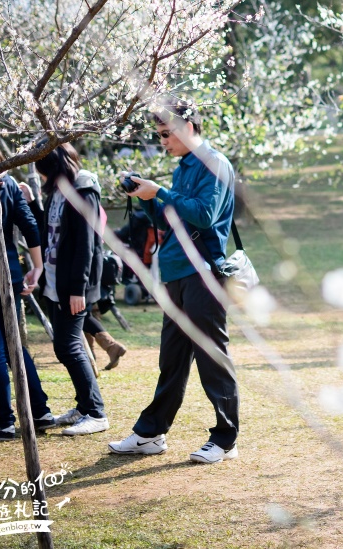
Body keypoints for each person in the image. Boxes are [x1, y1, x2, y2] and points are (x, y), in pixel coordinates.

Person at [109, 101, 240, 464]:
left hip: (203, 275)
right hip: (177, 274)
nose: (163, 142)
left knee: (212, 358)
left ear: (188, 128)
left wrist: (161, 192)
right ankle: (150, 433)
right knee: (172, 359)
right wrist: (147, 197)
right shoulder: (184, 167)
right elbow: (173, 219)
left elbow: (204, 214)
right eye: (160, 136)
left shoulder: (214, 163)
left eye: (166, 134)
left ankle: (226, 439)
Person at [0, 146, 61, 441]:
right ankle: (40, 411)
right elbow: (30, 225)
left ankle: (4, 422)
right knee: (14, 347)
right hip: (9, 274)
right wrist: (37, 267)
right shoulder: (8, 186)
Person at [28, 143, 109, 436]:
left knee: (68, 346)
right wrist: (33, 204)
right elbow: (49, 231)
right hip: (54, 279)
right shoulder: (58, 191)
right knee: (65, 346)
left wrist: (78, 289)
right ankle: (85, 407)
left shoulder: (82, 190)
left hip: (73, 284)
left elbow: (86, 244)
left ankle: (96, 412)